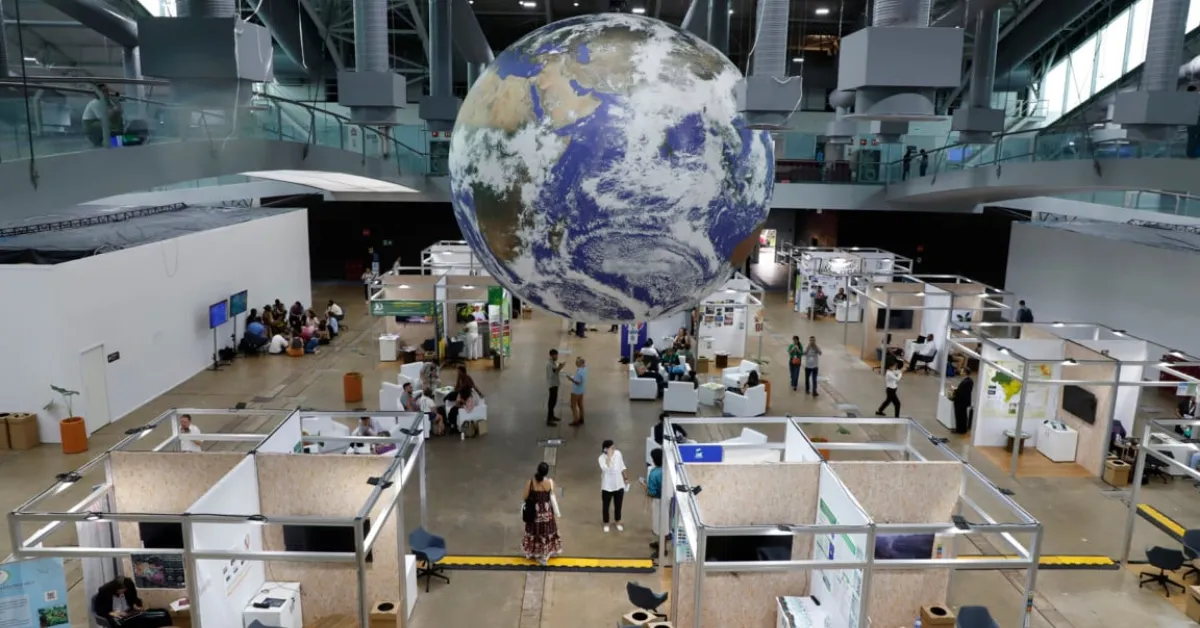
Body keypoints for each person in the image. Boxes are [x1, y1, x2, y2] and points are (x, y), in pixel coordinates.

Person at [522, 462, 563, 566]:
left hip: (534, 512)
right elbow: (553, 494)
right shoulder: (550, 482)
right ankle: (545, 554)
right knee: (546, 533)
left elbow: (525, 496)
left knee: (534, 533)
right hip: (546, 511)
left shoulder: (530, 483)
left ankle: (534, 552)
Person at [93, 577, 171, 627]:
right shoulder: (104, 591)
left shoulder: (129, 588)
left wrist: (136, 606)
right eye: (121, 591)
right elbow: (98, 609)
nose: (123, 593)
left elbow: (134, 599)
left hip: (132, 613)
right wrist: (112, 613)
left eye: (125, 591)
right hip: (118, 617)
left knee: (163, 613)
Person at [598, 439, 628, 533]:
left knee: (618, 504)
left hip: (619, 484)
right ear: (606, 449)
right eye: (611, 448)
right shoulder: (601, 458)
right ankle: (606, 522)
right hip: (607, 486)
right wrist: (609, 457)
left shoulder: (618, 454)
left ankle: (617, 520)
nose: (614, 449)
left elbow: (622, 466)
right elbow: (606, 469)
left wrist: (625, 478)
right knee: (606, 506)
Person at [647, 447, 664, 544]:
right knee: (666, 524)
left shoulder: (654, 474)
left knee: (658, 524)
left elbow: (652, 493)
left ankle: (661, 548)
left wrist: (646, 487)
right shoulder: (668, 469)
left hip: (658, 501)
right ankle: (661, 543)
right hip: (668, 500)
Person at [952, 369, 975, 434]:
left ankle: (960, 430)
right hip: (963, 401)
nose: (961, 372)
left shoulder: (966, 382)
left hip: (961, 401)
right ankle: (960, 429)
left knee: (960, 416)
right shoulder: (968, 381)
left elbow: (962, 392)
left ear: (965, 372)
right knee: (962, 415)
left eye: (962, 371)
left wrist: (955, 390)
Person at [567, 357, 588, 426]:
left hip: (576, 391)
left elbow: (578, 382)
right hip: (581, 390)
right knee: (580, 405)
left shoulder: (579, 372)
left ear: (580, 363)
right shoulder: (585, 369)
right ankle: (581, 418)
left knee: (573, 406)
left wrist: (571, 379)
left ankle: (575, 420)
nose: (576, 363)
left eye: (577, 362)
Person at [546, 349, 565, 425]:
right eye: (555, 355)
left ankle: (552, 416)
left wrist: (560, 367)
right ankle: (549, 420)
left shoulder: (552, 362)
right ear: (551, 355)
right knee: (551, 402)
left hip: (555, 384)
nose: (557, 357)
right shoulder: (549, 364)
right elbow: (552, 373)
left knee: (554, 401)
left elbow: (555, 371)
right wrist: (559, 368)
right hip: (552, 385)